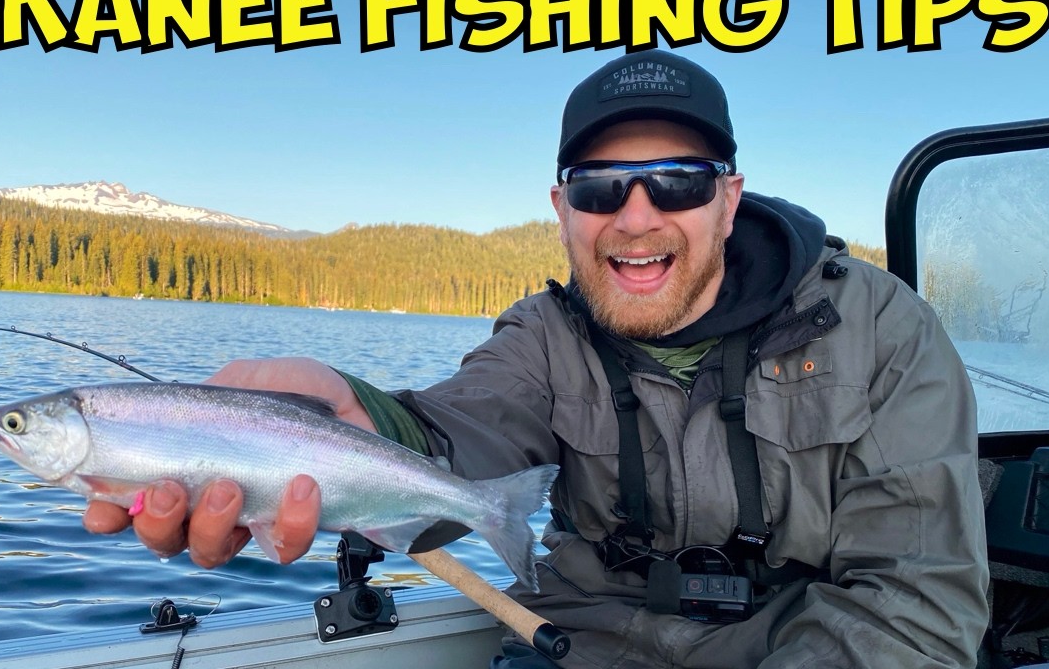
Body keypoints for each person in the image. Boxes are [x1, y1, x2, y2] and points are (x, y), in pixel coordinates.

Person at [84, 50, 989, 668]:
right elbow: (461, 426)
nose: (636, 216)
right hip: (578, 647)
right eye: (600, 188)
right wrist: (364, 420)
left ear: (727, 198)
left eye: (676, 181)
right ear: (562, 210)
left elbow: (917, 599)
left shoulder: (878, 326)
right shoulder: (543, 335)